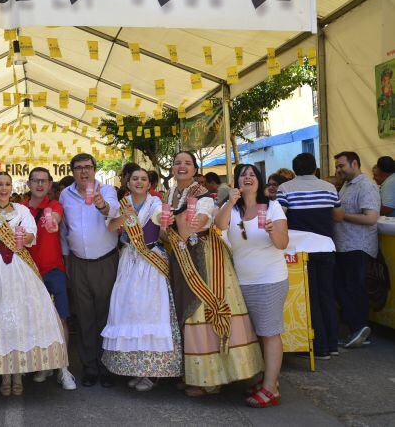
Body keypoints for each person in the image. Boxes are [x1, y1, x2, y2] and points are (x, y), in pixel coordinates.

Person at [0, 172, 67, 396]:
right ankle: (4, 375)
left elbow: (31, 237)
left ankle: (18, 374)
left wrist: (23, 237)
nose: (4, 189)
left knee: (20, 318)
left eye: (7, 184)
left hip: (19, 267)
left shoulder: (22, 211)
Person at [163, 151, 263, 397]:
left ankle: (211, 379)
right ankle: (194, 374)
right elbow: (168, 232)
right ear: (172, 169)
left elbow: (196, 225)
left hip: (206, 258)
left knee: (202, 311)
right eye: (177, 163)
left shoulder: (202, 195)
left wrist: (174, 223)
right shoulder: (171, 193)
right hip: (181, 256)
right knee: (187, 311)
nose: (182, 166)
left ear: (195, 169)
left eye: (187, 163)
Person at [101, 166, 182, 393]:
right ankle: (135, 368)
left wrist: (165, 219)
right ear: (128, 182)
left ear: (149, 184)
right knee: (129, 310)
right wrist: (122, 219)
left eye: (143, 179)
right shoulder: (122, 204)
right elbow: (111, 227)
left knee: (150, 310)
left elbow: (160, 217)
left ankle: (152, 373)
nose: (138, 182)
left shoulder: (155, 203)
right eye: (135, 178)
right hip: (129, 260)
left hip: (150, 261)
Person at [215, 165, 289, 408]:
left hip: (269, 279)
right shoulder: (233, 208)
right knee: (256, 334)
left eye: (252, 175)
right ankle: (268, 380)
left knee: (269, 333)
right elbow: (219, 225)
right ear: (236, 181)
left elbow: (282, 243)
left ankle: (271, 389)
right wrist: (230, 201)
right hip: (242, 280)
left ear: (259, 181)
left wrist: (272, 230)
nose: (248, 178)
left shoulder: (272, 207)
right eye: (243, 175)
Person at [59, 153, 120, 387]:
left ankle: (106, 366)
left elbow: (113, 211)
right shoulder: (65, 195)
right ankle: (89, 366)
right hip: (77, 263)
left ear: (95, 169)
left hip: (105, 261)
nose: (84, 172)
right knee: (84, 316)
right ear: (72, 171)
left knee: (105, 314)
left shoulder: (106, 191)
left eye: (88, 167)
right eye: (78, 168)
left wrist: (101, 204)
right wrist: (66, 261)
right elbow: (64, 230)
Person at [276, 153, 342, 359]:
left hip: (300, 250)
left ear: (294, 170)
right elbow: (338, 216)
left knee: (309, 296)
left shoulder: (285, 189)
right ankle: (333, 344)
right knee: (327, 295)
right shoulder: (329, 188)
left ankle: (319, 347)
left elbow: (280, 217)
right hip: (326, 247)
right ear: (315, 169)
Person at [22, 167, 77, 390]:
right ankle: (40, 363)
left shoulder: (55, 205)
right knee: (33, 318)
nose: (39, 185)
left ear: (50, 184)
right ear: (28, 184)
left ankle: (62, 367)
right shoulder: (20, 208)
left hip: (53, 268)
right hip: (27, 270)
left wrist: (51, 220)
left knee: (61, 317)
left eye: (44, 181)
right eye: (35, 181)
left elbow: (54, 218)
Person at [333, 151, 380, 348]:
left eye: (341, 166)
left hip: (357, 245)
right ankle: (356, 329)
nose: (338, 170)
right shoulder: (346, 185)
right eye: (337, 166)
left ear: (354, 163)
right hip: (344, 245)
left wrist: (342, 216)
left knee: (354, 288)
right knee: (343, 287)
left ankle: (360, 329)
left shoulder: (366, 185)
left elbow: (371, 218)